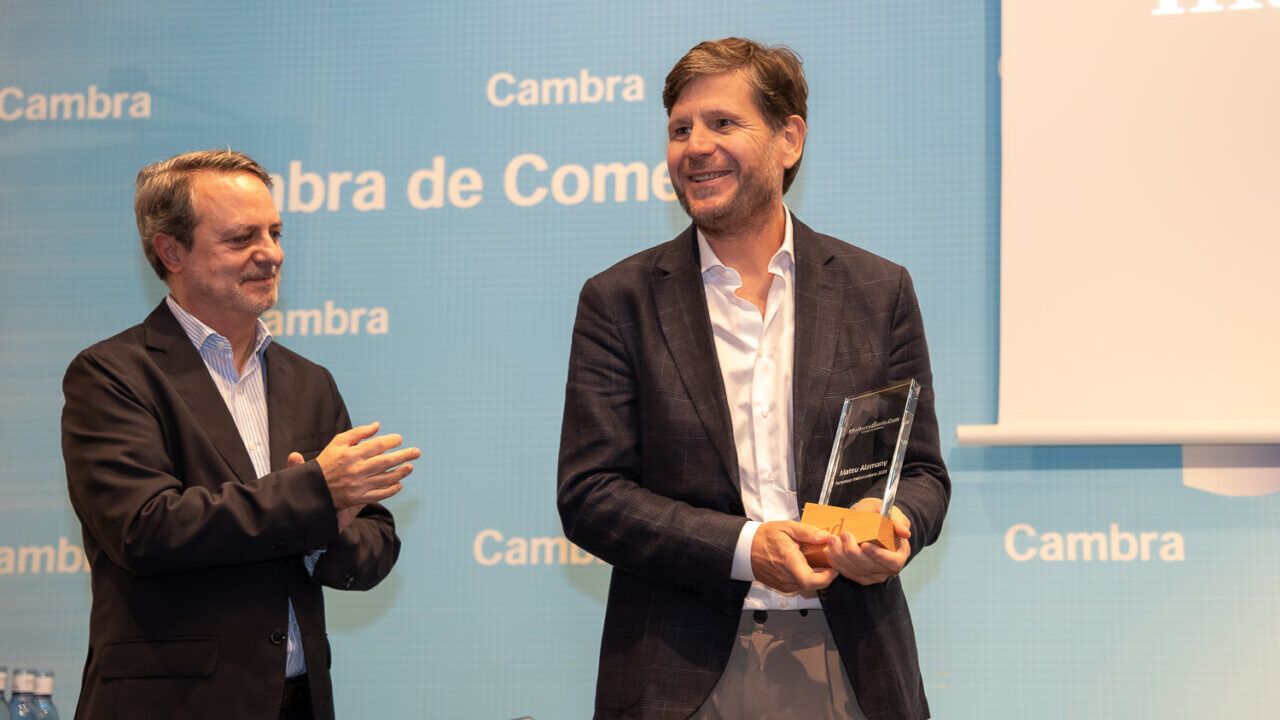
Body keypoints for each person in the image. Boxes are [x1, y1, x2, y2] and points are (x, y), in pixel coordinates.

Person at [557, 38, 950, 720]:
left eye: (722, 123)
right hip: (678, 673)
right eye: (680, 129)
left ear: (789, 138)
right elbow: (591, 495)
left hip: (852, 661)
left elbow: (923, 475)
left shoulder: (876, 290)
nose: (694, 147)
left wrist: (892, 527)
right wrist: (745, 548)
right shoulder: (618, 300)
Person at [61, 149, 418, 720]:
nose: (270, 253)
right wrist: (315, 496)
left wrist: (330, 527)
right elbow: (145, 529)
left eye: (275, 232)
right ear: (171, 250)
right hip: (172, 703)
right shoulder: (112, 374)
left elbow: (373, 550)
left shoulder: (309, 382)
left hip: (299, 702)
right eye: (241, 237)